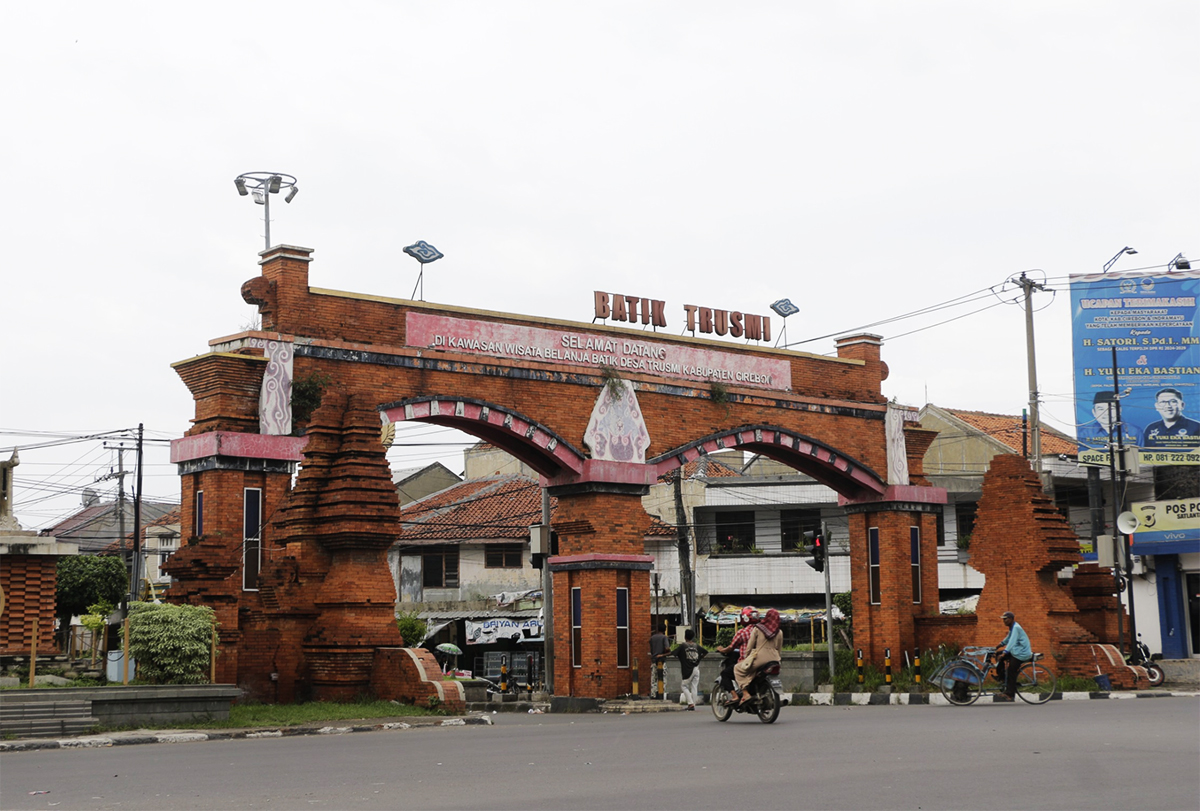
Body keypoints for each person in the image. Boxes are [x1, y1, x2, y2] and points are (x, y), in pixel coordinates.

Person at [730, 607, 783, 707]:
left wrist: (746, 658)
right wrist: (778, 658)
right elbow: (779, 648)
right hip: (775, 659)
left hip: (760, 658)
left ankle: (745, 693)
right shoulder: (779, 632)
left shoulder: (758, 628)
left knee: (738, 669)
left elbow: (750, 646)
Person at [715, 606, 758, 691]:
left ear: (744, 618)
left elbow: (731, 647)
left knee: (725, 674)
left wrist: (721, 650)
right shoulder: (761, 631)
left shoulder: (742, 632)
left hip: (746, 663)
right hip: (759, 662)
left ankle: (735, 696)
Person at [994, 610, 1032, 701]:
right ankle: (1002, 677)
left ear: (1011, 619)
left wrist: (1005, 652)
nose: (1004, 621)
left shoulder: (1016, 628)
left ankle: (1010, 694)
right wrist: (1000, 644)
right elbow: (1008, 638)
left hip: (1021, 653)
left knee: (1011, 670)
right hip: (1017, 651)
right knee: (997, 654)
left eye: (1005, 619)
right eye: (1003, 619)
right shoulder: (1012, 627)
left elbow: (1012, 641)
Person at [669, 628, 708, 710]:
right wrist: (699, 659)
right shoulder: (696, 645)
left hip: (688, 669)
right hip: (696, 668)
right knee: (694, 686)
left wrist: (662, 655)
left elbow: (673, 653)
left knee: (684, 686)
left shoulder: (683, 646)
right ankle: (693, 704)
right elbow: (705, 652)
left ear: (685, 637)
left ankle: (690, 704)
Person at [649, 625, 670, 698]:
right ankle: (661, 693)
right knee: (663, 677)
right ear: (664, 630)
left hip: (654, 660)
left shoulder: (652, 638)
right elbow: (667, 647)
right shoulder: (664, 637)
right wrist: (666, 653)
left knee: (654, 678)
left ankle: (653, 694)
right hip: (662, 660)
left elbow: (651, 650)